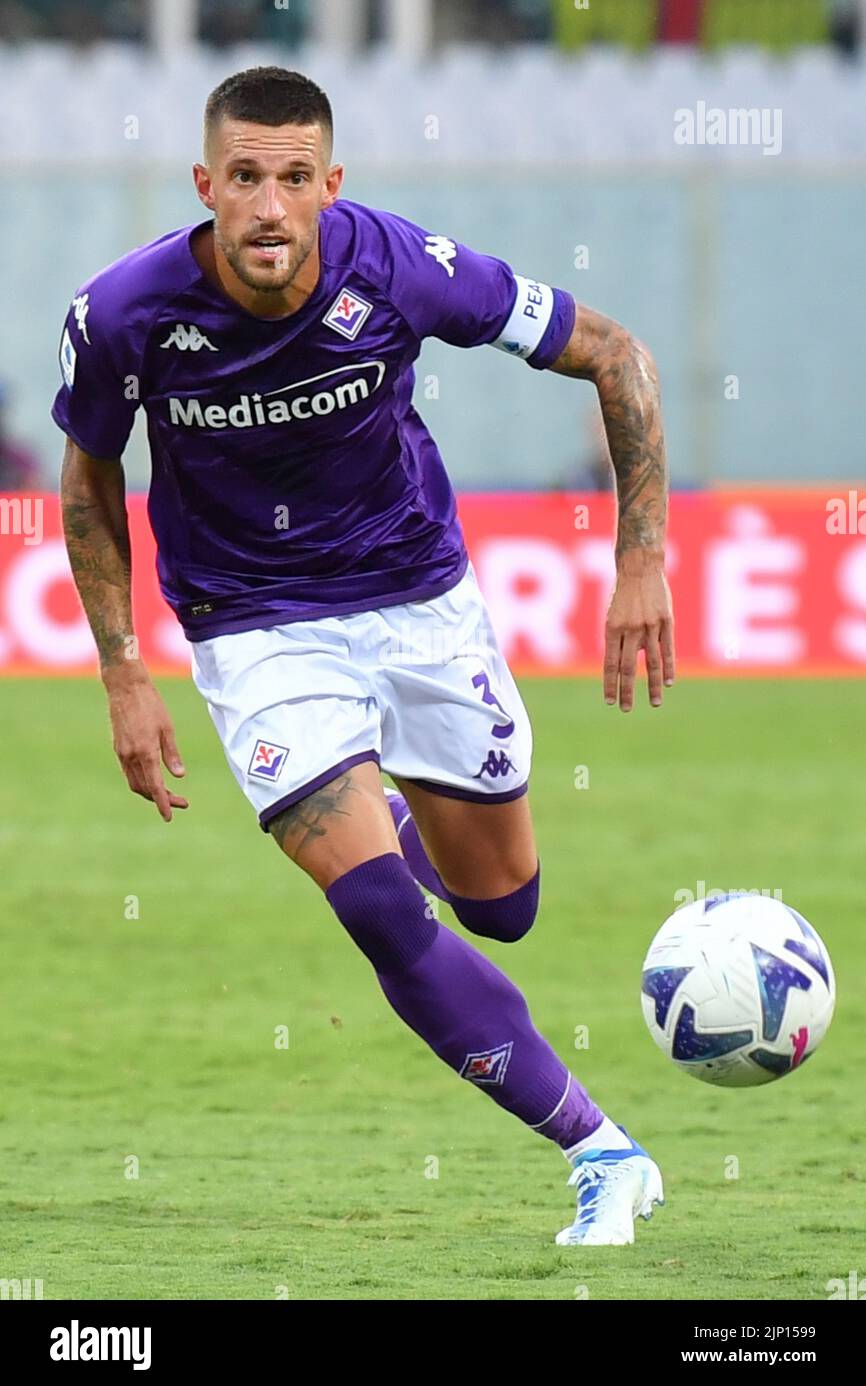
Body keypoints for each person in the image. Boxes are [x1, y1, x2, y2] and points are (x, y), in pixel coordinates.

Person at [53, 66, 674, 1246]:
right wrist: (123, 672)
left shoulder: (397, 270)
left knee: (500, 909)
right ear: (206, 185)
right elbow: (88, 479)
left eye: (295, 179)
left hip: (418, 605)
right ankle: (602, 1150)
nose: (270, 207)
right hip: (255, 631)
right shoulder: (123, 315)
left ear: (330, 187)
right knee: (386, 913)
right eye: (245, 178)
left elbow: (616, 353)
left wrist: (640, 559)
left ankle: (389, 816)